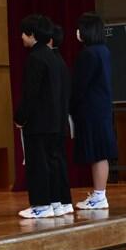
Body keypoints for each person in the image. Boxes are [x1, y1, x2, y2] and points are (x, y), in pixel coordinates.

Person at [13, 14, 62, 219]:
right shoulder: (52, 56)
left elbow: (30, 93)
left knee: (38, 164)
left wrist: (20, 117)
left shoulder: (35, 58)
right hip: (54, 120)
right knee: (52, 163)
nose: (21, 37)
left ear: (32, 34)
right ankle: (55, 202)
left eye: (24, 34)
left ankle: (41, 205)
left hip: (38, 122)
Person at [70, 13, 117, 210]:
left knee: (97, 153)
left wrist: (70, 106)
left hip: (91, 110)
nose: (77, 31)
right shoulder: (103, 50)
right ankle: (99, 194)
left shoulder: (88, 53)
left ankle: (99, 196)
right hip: (102, 109)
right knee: (101, 152)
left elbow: (79, 85)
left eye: (80, 28)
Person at [49, 25, 73, 216]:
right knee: (59, 160)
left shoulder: (50, 60)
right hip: (61, 118)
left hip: (53, 119)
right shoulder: (60, 60)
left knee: (54, 161)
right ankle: (64, 201)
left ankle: (57, 201)